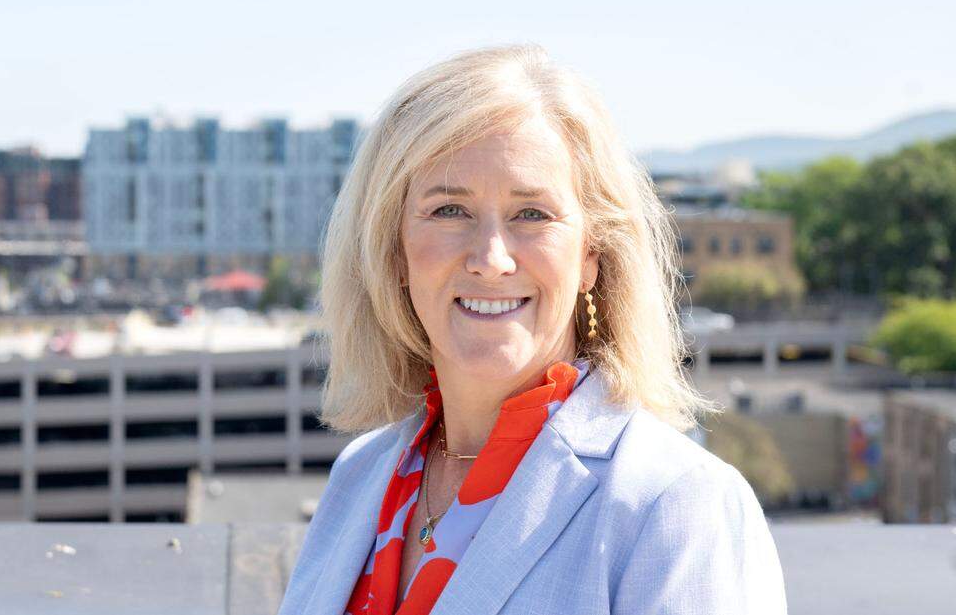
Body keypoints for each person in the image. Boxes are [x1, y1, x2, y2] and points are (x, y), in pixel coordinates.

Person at [278, 45, 787, 615]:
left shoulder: (674, 502)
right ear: (394, 250)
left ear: (591, 254)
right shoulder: (359, 476)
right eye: (449, 210)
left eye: (532, 214)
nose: (491, 259)